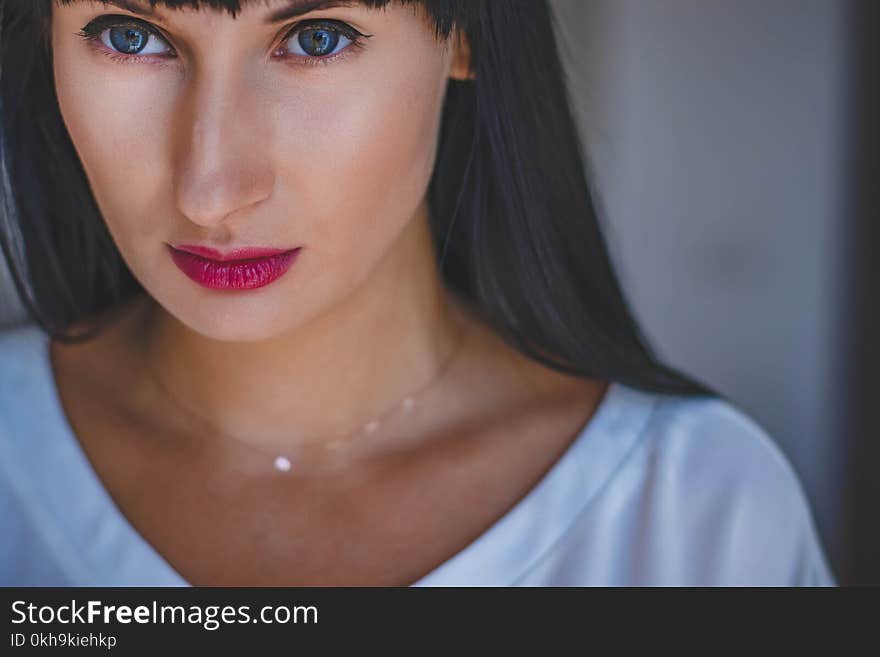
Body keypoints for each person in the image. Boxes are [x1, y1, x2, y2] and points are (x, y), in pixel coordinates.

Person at [0, 0, 835, 586]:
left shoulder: (698, 519)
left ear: (466, 31)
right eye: (130, 35)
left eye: (318, 38)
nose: (212, 188)